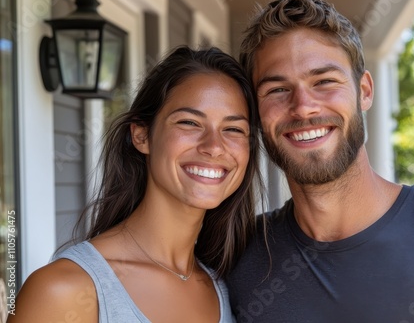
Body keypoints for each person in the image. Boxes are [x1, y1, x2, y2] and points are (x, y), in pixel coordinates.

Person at [226, 0, 414, 323]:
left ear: (364, 91)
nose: (303, 106)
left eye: (324, 81)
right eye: (277, 90)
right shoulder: (238, 259)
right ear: (255, 111)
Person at [9, 46, 261, 323]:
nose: (214, 147)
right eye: (190, 122)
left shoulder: (225, 287)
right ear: (142, 136)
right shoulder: (64, 291)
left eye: (234, 129)